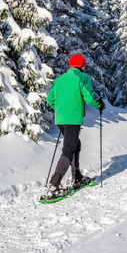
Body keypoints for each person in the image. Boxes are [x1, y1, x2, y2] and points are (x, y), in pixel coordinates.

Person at [46, 54, 105, 197]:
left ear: (70, 65)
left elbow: (50, 98)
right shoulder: (83, 78)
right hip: (73, 120)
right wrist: (99, 104)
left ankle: (76, 176)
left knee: (75, 144)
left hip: (60, 119)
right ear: (82, 66)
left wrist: (60, 110)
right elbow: (90, 97)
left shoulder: (59, 80)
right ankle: (54, 184)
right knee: (68, 149)